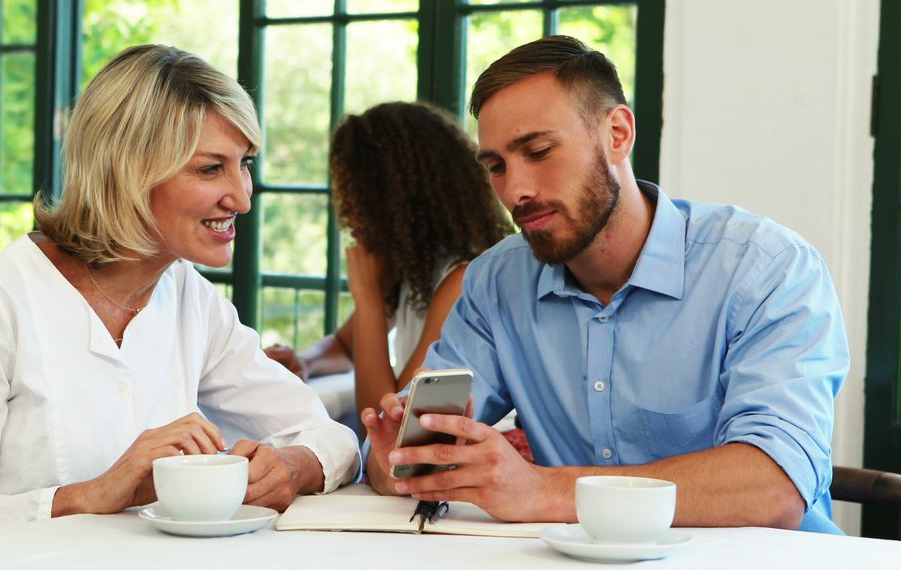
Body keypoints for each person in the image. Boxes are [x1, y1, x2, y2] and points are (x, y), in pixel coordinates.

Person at [0, 45, 360, 547]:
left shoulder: (190, 297)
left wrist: (294, 468)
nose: (242, 196)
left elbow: (332, 438)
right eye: (210, 169)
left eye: (244, 163)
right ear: (128, 169)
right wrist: (90, 495)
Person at [361, 35, 849, 534]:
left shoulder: (767, 269)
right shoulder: (496, 282)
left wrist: (542, 490)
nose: (515, 190)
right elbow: (397, 458)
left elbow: (774, 486)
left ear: (617, 133)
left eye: (539, 151)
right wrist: (400, 459)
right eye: (497, 167)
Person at [264, 102, 513, 418]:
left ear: (403, 199)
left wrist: (368, 298)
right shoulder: (416, 266)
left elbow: (387, 422)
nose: (348, 213)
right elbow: (344, 346)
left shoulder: (463, 278)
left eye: (359, 197)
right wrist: (306, 361)